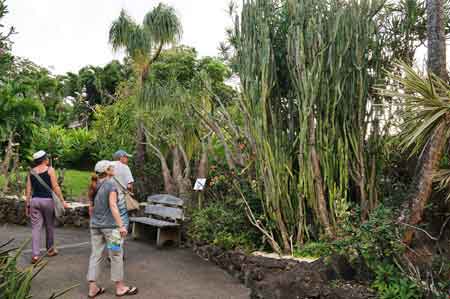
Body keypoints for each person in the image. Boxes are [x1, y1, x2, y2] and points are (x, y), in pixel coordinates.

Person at [87, 160, 138, 297]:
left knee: (95, 255)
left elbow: (90, 208)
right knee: (116, 255)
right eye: (111, 167)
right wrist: (121, 226)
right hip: (112, 229)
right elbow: (113, 206)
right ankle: (120, 288)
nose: (113, 168)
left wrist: (95, 221)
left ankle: (93, 288)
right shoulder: (111, 185)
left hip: (95, 226)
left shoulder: (93, 185)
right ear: (107, 171)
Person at [25, 150, 68, 264]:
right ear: (44, 159)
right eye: (47, 157)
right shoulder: (50, 170)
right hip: (48, 201)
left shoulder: (31, 172)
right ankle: (50, 250)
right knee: (49, 226)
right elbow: (55, 187)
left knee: (35, 228)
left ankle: (35, 255)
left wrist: (27, 204)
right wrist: (62, 201)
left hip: (35, 201)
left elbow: (28, 189)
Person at [112, 150, 134, 230]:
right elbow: (129, 185)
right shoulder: (125, 167)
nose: (127, 159)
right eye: (126, 157)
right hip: (120, 197)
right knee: (123, 216)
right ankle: (120, 237)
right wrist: (131, 191)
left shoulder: (108, 166)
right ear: (121, 158)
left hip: (108, 197)